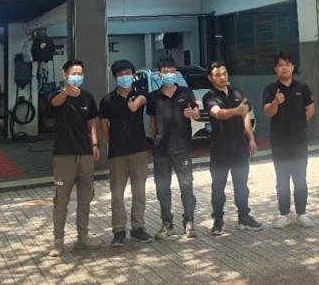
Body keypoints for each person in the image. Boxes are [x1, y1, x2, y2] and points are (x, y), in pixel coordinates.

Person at [47, 59, 101, 257]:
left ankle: (83, 238)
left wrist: (95, 144)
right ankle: (58, 242)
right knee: (61, 200)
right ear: (65, 75)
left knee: (85, 199)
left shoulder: (87, 97)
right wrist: (66, 93)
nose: (77, 77)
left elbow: (91, 122)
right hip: (64, 156)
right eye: (73, 73)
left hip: (85, 154)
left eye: (80, 73)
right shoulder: (57, 95)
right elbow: (54, 104)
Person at [203, 61, 262, 235]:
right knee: (218, 186)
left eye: (224, 73)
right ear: (210, 78)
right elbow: (217, 113)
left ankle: (244, 217)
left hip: (239, 147)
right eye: (217, 75)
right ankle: (218, 220)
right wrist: (236, 110)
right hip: (220, 149)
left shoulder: (237, 93)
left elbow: (245, 116)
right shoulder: (209, 96)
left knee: (241, 185)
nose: (222, 77)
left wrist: (251, 139)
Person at [99, 59, 154, 246]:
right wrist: (113, 143)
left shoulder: (140, 93)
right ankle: (119, 230)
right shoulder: (107, 100)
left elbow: (144, 99)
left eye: (128, 73)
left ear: (133, 74)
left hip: (139, 151)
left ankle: (138, 228)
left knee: (139, 192)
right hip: (117, 154)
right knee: (117, 194)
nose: (124, 77)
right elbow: (103, 126)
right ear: (115, 77)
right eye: (120, 74)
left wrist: (136, 103)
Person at [147, 56, 200, 239]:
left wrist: (193, 113)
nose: (169, 74)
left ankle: (189, 221)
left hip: (182, 148)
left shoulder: (186, 92)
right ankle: (167, 223)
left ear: (176, 73)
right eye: (165, 71)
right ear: (159, 74)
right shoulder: (154, 97)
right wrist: (154, 142)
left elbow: (197, 112)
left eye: (171, 71)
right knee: (162, 188)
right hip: (161, 150)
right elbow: (152, 121)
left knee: (186, 185)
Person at [263, 53, 316, 228]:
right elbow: (268, 112)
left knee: (300, 178)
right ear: (275, 69)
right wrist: (275, 102)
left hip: (299, 141)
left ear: (293, 67)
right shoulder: (271, 89)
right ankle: (284, 214)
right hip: (279, 141)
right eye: (280, 65)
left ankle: (302, 213)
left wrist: (298, 124)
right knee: (282, 178)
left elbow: (310, 110)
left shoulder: (302, 87)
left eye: (287, 64)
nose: (284, 67)